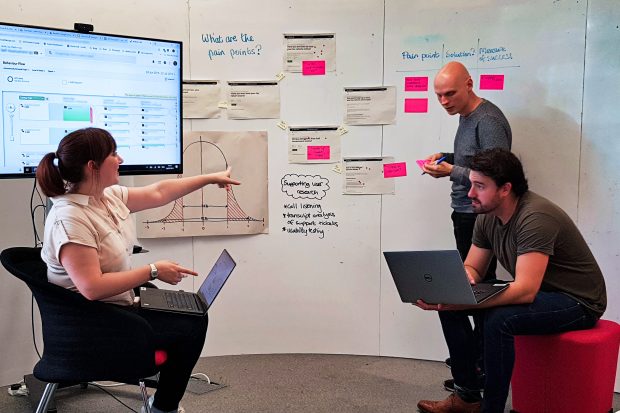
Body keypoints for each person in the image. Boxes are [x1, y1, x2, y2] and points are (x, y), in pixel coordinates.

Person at [36, 127, 241, 413]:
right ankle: (163, 407)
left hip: (117, 306)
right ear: (93, 166)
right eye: (113, 154)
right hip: (92, 323)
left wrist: (209, 178)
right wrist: (152, 271)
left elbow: (158, 192)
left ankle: (162, 402)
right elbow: (92, 288)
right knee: (191, 326)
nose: (120, 159)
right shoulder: (69, 218)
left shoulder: (104, 196)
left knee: (192, 314)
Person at [416, 148, 606, 413]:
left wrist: (469, 303)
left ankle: (491, 409)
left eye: (479, 186)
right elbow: (474, 266)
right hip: (541, 293)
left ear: (505, 189)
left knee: (498, 319)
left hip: (578, 301)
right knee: (447, 304)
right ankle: (467, 396)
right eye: (471, 184)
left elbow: (526, 291)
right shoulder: (486, 215)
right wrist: (463, 283)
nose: (470, 193)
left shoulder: (535, 217)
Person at [422, 61, 512, 390]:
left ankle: (475, 374)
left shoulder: (487, 120)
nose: (444, 101)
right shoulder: (466, 116)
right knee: (470, 293)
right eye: (439, 95)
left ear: (469, 84)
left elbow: (495, 175)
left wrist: (450, 172)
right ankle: (477, 368)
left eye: (450, 93)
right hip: (464, 213)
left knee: (470, 294)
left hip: (480, 217)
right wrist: (447, 156)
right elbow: (475, 159)